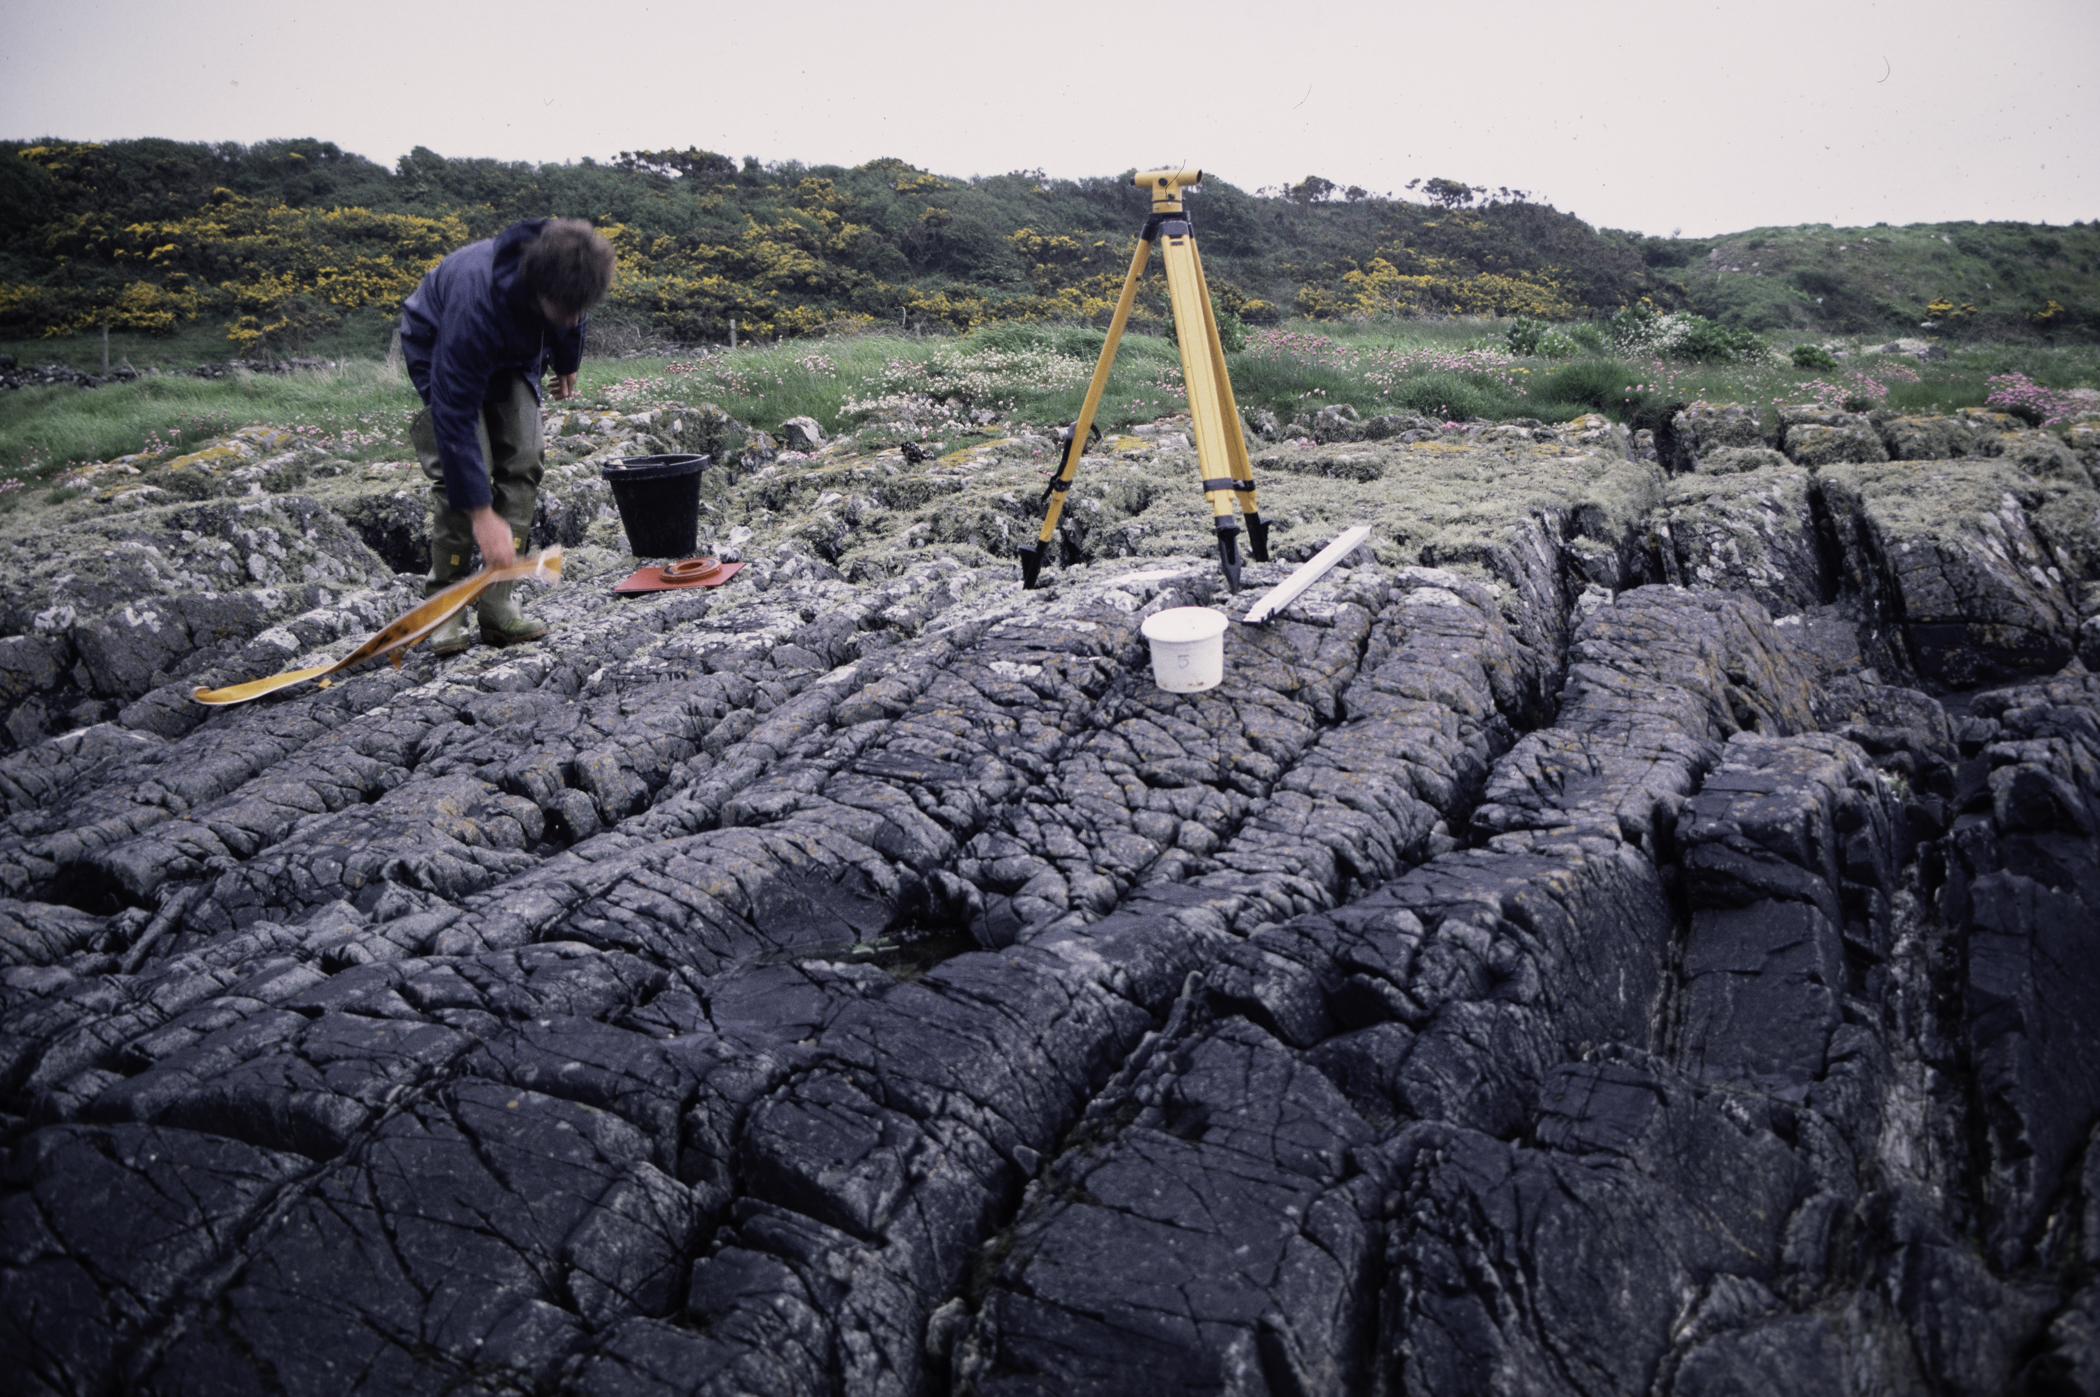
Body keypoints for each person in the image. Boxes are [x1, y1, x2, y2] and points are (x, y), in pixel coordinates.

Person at [399, 218, 615, 653]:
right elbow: (455, 412)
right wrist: (483, 515)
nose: (574, 317)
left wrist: (567, 360)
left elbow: (574, 314)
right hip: (440, 340)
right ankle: (446, 607)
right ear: (538, 290)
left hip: (515, 349)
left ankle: (498, 604)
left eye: (582, 307)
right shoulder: (475, 304)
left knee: (525, 458)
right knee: (463, 469)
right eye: (566, 308)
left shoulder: (568, 271)